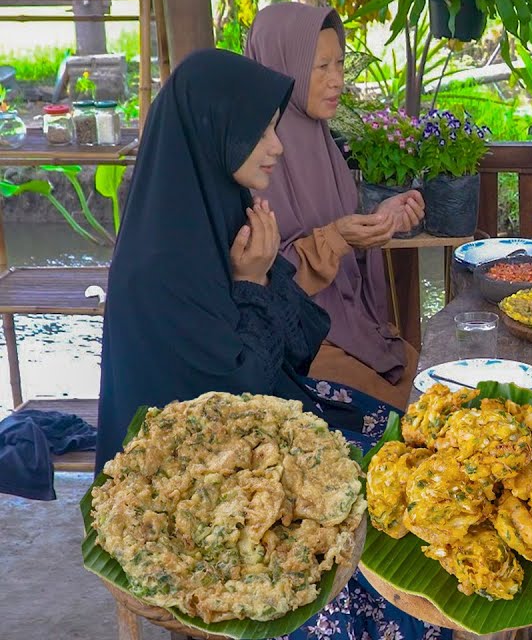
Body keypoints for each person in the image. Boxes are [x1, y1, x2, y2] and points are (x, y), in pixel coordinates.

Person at [95, 48, 448, 640]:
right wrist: (253, 284)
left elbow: (292, 345)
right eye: (260, 131)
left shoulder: (223, 211)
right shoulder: (160, 268)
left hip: (264, 420)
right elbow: (230, 411)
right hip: (196, 492)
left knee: (408, 457)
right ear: (214, 132)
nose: (278, 146)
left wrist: (267, 279)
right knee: (381, 562)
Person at [244, 2, 425, 409]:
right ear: (280, 64)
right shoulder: (251, 153)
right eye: (321, 67)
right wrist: (336, 238)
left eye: (340, 64)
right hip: (299, 344)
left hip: (348, 325)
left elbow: (338, 231)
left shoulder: (321, 140)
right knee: (410, 417)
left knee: (438, 386)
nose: (337, 80)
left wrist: (379, 219)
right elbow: (260, 278)